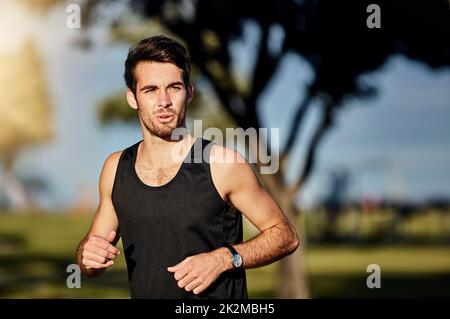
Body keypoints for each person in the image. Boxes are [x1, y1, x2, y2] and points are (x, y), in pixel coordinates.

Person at [75, 35, 299, 299]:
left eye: (174, 87)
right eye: (150, 90)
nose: (164, 101)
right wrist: (86, 256)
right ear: (132, 97)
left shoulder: (222, 163)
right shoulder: (116, 168)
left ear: (189, 92)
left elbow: (285, 236)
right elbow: (89, 259)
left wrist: (225, 258)